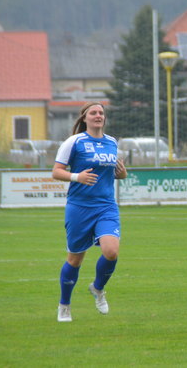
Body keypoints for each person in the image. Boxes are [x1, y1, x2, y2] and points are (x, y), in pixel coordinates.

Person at [52, 102, 127, 322]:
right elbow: (56, 172)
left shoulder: (112, 142)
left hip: (106, 206)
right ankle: (64, 305)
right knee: (75, 259)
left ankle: (97, 288)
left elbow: (114, 174)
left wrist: (122, 174)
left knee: (111, 251)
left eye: (101, 113)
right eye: (93, 112)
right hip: (79, 207)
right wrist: (77, 177)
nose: (98, 116)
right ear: (84, 118)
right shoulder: (74, 142)